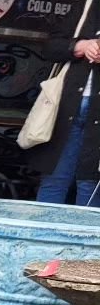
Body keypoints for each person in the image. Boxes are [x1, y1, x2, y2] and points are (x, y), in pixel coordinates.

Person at [33, 14, 100, 206]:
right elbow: (49, 47)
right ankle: (43, 234)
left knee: (91, 183)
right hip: (67, 107)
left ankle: (83, 236)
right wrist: (81, 46)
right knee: (54, 180)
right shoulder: (86, 6)